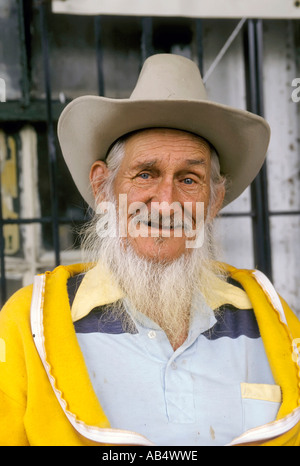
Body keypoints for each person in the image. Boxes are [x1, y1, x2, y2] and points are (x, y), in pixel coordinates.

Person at [0, 54, 299, 447]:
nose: (165, 202)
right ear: (103, 187)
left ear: (214, 199)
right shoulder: (30, 323)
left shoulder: (271, 317)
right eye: (146, 174)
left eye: (189, 179)